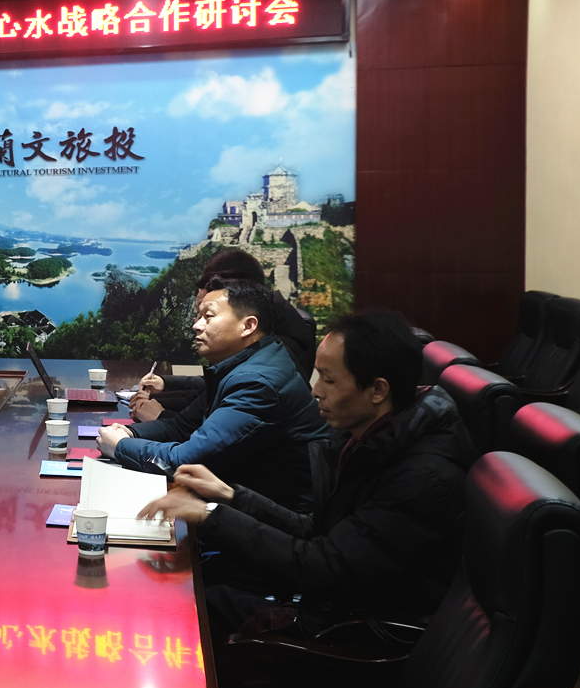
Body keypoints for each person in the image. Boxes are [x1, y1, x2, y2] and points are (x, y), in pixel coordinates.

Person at [137, 309, 475, 636]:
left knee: (189, 600)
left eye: (329, 379)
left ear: (377, 390)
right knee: (190, 584)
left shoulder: (422, 477)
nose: (316, 391)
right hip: (336, 604)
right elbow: (320, 531)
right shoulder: (373, 438)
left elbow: (323, 566)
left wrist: (210, 516)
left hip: (357, 633)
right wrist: (230, 496)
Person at [98, 277, 327, 508]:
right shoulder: (239, 365)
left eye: (208, 316)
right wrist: (130, 433)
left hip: (275, 516)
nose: (196, 325)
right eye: (198, 316)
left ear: (248, 326)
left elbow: (186, 462)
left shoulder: (257, 383)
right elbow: (182, 427)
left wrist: (120, 446)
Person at [130, 248, 316, 423]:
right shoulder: (273, 327)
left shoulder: (273, 357)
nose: (196, 325)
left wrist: (161, 416)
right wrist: (165, 387)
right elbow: (212, 391)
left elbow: (218, 429)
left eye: (208, 315)